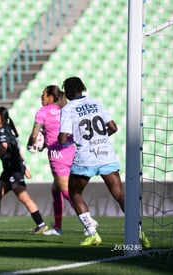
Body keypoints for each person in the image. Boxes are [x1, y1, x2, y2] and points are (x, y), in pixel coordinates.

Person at [58, 76, 150, 247]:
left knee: (75, 193)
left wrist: (75, 140)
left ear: (69, 91)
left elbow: (63, 139)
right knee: (121, 195)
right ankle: (139, 232)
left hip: (86, 158)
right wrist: (98, 139)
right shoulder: (96, 102)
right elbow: (113, 127)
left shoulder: (68, 108)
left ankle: (92, 233)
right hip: (106, 154)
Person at [0, 106, 48, 234]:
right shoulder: (9, 130)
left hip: (13, 169)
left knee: (23, 197)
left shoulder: (4, 131)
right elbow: (17, 150)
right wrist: (25, 166)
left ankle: (41, 223)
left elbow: (4, 148)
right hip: (10, 169)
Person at [27, 85, 75, 236]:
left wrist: (30, 144)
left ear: (49, 96)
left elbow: (35, 134)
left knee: (66, 191)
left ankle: (87, 219)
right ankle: (58, 227)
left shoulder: (43, 111)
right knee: (56, 190)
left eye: (43, 95)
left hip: (57, 154)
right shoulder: (65, 109)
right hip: (71, 150)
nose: (41, 98)